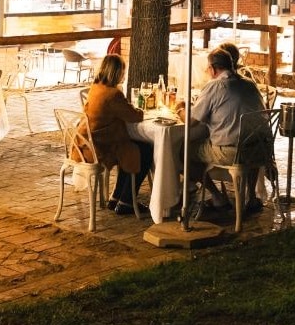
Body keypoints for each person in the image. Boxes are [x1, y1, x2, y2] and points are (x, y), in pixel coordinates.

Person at [176, 47, 266, 213]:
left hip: (233, 152)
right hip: (261, 148)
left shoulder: (215, 86)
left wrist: (180, 109)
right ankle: (251, 197)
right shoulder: (249, 83)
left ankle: (217, 197)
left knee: (184, 151)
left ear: (213, 69)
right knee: (246, 142)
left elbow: (191, 121)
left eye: (207, 68)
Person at [82, 54, 154, 216]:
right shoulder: (113, 94)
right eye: (123, 71)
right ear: (117, 72)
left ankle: (116, 197)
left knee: (129, 147)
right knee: (145, 150)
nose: (124, 75)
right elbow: (134, 117)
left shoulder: (96, 87)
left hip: (88, 142)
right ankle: (127, 201)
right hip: (101, 147)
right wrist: (140, 110)